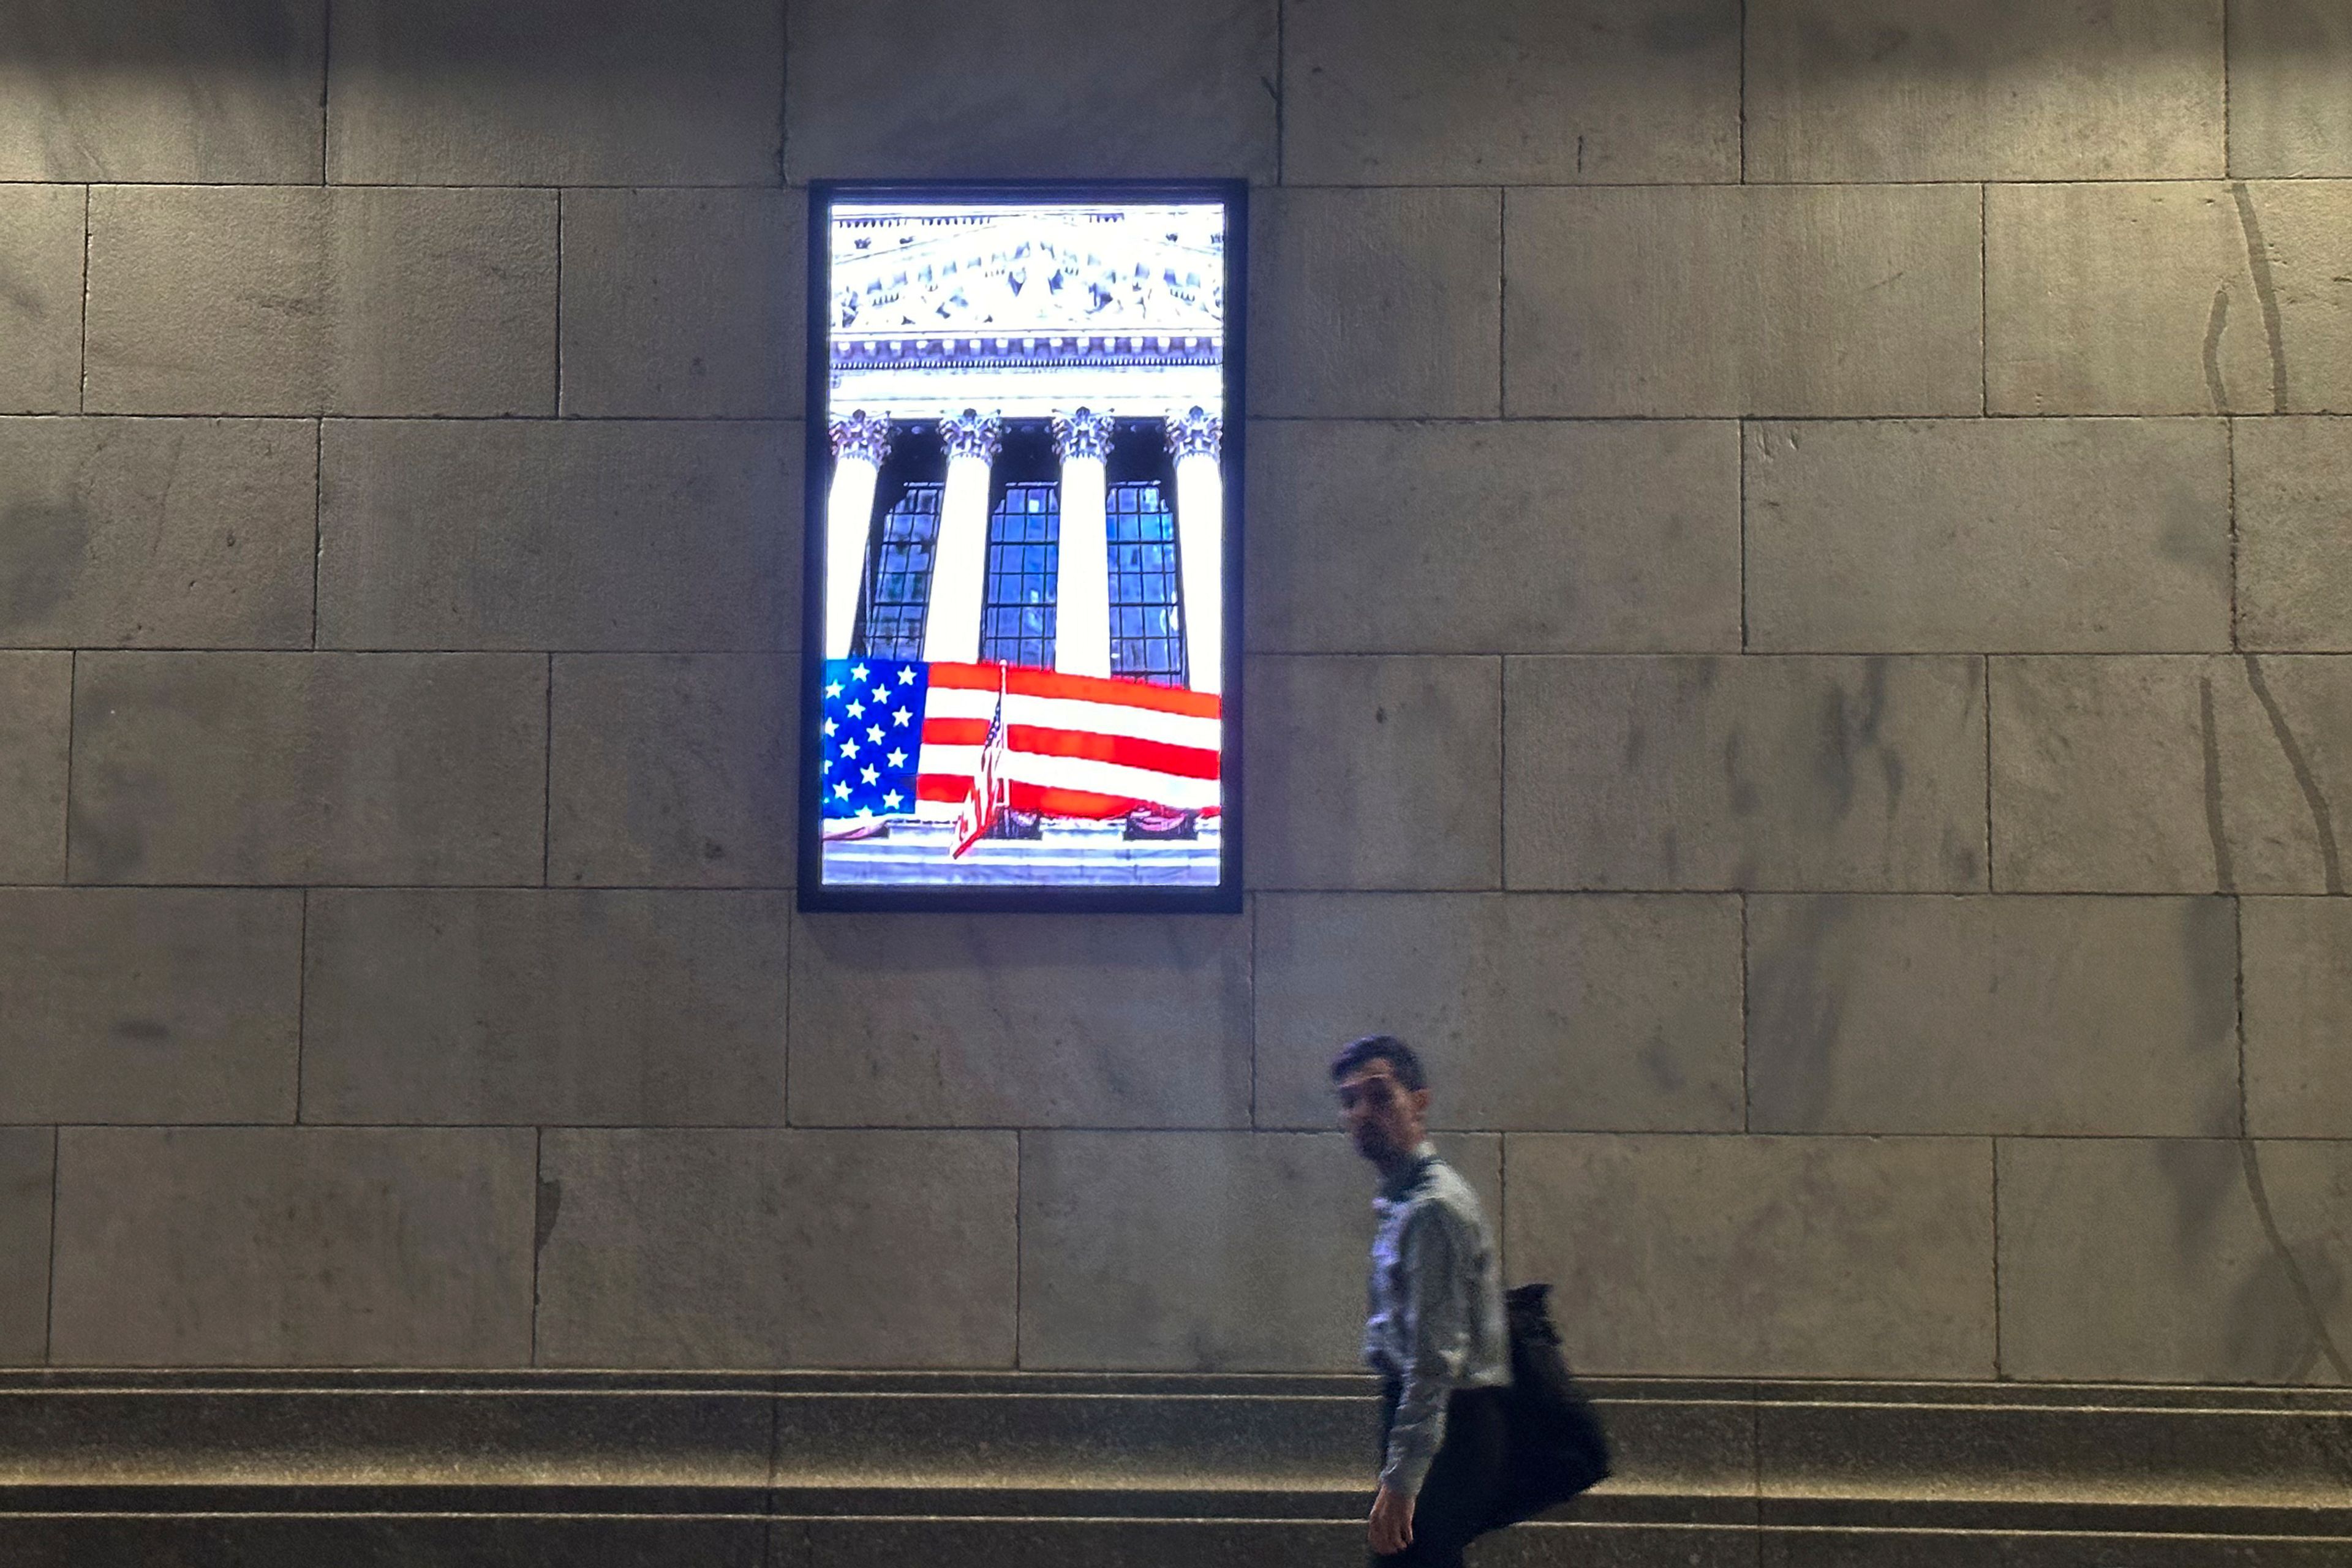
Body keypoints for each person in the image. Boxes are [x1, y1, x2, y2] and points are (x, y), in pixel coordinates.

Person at [1333, 1035, 1512, 1566]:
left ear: (1420, 1101)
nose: (1362, 1112)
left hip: (1447, 1432)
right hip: (1440, 1429)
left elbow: (1434, 1359)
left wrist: (1402, 1481)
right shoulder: (1405, 1203)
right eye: (1350, 1101)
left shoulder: (1432, 1209)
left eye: (1380, 1095)